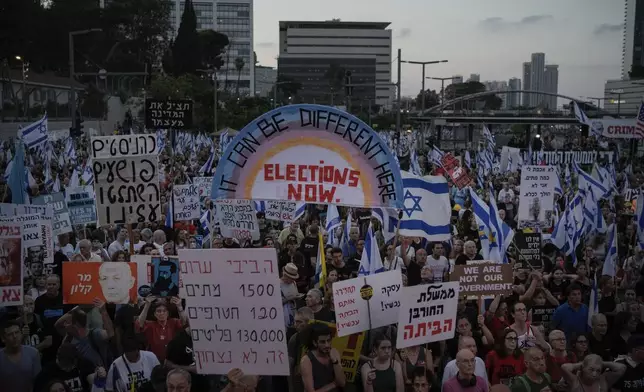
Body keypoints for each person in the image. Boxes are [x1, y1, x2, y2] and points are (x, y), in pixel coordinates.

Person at [136, 296, 186, 362]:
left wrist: (179, 307)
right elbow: (139, 324)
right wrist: (147, 305)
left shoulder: (174, 322)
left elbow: (184, 323)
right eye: (159, 311)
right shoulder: (150, 325)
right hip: (154, 360)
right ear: (154, 314)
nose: (162, 313)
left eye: (164, 311)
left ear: (168, 313)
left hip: (172, 360)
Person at [300, 323, 345, 392]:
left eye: (329, 340)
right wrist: (333, 384)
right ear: (315, 343)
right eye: (322, 342)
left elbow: (342, 383)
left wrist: (335, 361)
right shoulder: (306, 360)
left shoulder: (334, 352)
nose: (327, 345)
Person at [0, 320, 42, 392]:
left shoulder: (33, 353)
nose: (15, 336)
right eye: (10, 334)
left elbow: (38, 382)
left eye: (17, 332)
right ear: (3, 338)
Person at [560, 353, 625, 392]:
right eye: (591, 370)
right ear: (583, 368)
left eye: (598, 371)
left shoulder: (603, 380)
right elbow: (564, 367)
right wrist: (582, 364)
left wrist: (602, 363)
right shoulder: (575, 380)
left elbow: (622, 368)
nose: (594, 374)